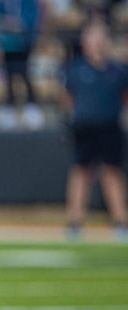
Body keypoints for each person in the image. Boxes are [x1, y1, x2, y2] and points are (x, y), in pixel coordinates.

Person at [61, 20, 128, 241]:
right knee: (81, 172)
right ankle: (75, 222)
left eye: (101, 38)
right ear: (85, 42)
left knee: (112, 172)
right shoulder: (76, 69)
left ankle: (120, 221)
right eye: (93, 38)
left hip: (110, 126)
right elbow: (67, 98)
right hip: (84, 127)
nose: (97, 43)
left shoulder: (117, 70)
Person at [0, 0, 46, 130]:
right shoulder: (0, 2)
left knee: (24, 72)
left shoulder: (29, 2)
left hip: (24, 41)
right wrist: (4, 24)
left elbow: (33, 19)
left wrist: (20, 25)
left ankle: (31, 104)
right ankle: (10, 104)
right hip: (7, 42)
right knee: (8, 74)